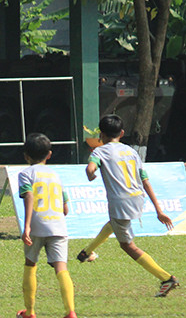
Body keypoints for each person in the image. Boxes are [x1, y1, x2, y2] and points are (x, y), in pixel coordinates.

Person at [76, 114, 177, 296]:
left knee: (127, 245)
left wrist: (91, 173)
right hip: (137, 198)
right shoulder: (132, 152)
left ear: (101, 135)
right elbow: (145, 180)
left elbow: (90, 168)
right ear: (122, 133)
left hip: (120, 202)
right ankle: (86, 252)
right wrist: (159, 210)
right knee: (114, 223)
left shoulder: (100, 151)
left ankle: (166, 278)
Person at [15, 133, 78, 318]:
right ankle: (70, 313)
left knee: (30, 264)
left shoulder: (26, 174)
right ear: (49, 154)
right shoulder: (56, 175)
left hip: (36, 225)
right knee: (62, 268)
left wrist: (26, 226)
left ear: (26, 156)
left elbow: (29, 197)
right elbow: (66, 208)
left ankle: (30, 313)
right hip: (58, 225)